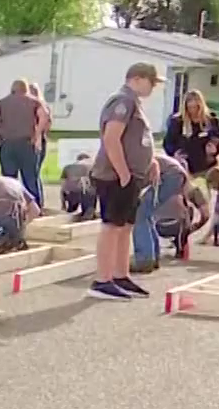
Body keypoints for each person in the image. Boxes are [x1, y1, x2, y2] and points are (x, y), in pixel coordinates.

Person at [88, 61, 161, 301]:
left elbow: (137, 139)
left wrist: (149, 161)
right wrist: (123, 173)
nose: (153, 88)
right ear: (138, 79)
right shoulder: (123, 101)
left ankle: (120, 274)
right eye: (152, 82)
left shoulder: (134, 104)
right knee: (112, 226)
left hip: (133, 175)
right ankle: (102, 279)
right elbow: (112, 138)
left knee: (125, 226)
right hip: (115, 175)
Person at [131, 152, 191, 273]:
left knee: (139, 214)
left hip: (169, 175)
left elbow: (135, 185)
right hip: (175, 174)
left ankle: (145, 259)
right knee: (146, 214)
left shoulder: (131, 161)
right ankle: (153, 257)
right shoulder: (136, 156)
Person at [0, 79, 43, 203]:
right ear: (26, 90)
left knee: (8, 180)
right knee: (30, 178)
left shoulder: (2, 102)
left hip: (7, 143)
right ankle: (35, 207)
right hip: (27, 144)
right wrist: (37, 133)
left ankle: (10, 205)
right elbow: (44, 116)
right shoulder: (34, 102)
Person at [162, 88, 219, 178]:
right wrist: (174, 154)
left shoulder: (211, 120)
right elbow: (168, 142)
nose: (193, 110)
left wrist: (215, 148)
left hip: (208, 164)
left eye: (196, 107)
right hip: (186, 164)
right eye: (190, 106)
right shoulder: (177, 121)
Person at [154, 169, 210, 260]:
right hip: (176, 226)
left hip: (154, 227)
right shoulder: (193, 191)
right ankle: (182, 247)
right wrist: (193, 228)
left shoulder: (156, 186)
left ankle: (151, 251)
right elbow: (206, 214)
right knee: (187, 210)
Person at [27, 82, 52, 200]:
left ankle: (35, 201)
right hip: (40, 139)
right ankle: (36, 200)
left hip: (36, 140)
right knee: (34, 173)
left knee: (33, 174)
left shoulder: (37, 107)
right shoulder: (43, 106)